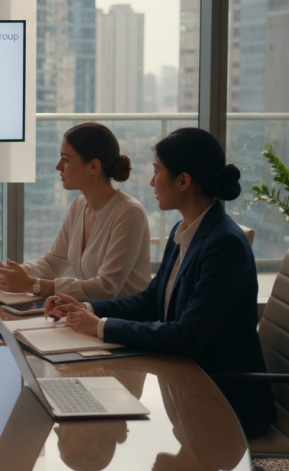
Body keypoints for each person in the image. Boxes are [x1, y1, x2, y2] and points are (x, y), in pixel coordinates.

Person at [47, 127, 276, 438]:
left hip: (221, 396)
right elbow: (151, 300)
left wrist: (99, 326)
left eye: (157, 172)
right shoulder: (185, 229)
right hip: (186, 378)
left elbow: (188, 335)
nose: (152, 182)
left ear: (183, 180)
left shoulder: (225, 245)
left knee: (106, 415)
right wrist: (85, 308)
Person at [0, 122, 150, 300]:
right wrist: (7, 272)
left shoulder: (129, 212)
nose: (58, 166)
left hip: (122, 322)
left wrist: (31, 284)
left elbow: (106, 288)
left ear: (93, 166)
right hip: (87, 315)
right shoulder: (79, 205)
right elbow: (53, 263)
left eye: (66, 159)